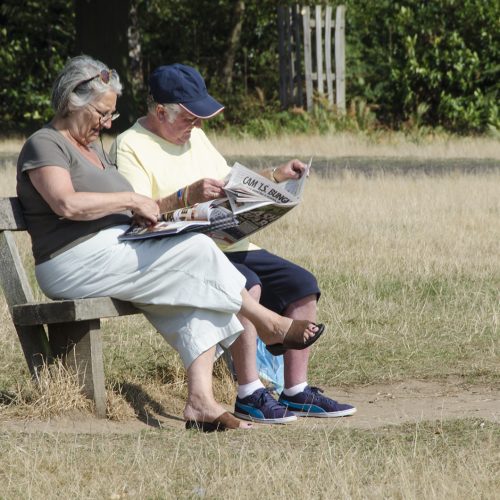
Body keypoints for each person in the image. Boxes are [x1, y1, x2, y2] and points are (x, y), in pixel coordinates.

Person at [16, 55, 325, 432]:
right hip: (73, 260)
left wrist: (168, 208)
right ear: (71, 101)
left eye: (112, 115)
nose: (107, 123)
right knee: (197, 250)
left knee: (196, 292)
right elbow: (65, 203)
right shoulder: (45, 144)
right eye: (101, 113)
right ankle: (269, 323)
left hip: (117, 249)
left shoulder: (93, 148)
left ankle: (201, 404)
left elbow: (138, 205)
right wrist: (130, 201)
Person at [113, 63, 356, 423]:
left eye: (201, 120)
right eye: (190, 119)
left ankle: (296, 390)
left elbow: (230, 183)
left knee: (303, 286)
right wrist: (185, 196)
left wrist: (274, 177)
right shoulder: (131, 144)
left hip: (227, 242)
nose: (197, 127)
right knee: (247, 284)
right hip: (183, 254)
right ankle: (250, 392)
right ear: (160, 111)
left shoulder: (194, 136)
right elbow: (137, 212)